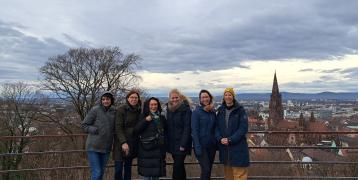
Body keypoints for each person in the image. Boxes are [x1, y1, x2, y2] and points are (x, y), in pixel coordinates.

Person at [215, 88, 250, 180]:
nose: (227, 97)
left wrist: (230, 139)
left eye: (230, 95)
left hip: (238, 148)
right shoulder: (220, 110)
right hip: (225, 150)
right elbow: (216, 127)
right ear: (223, 97)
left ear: (233, 97)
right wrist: (220, 138)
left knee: (240, 176)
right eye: (226, 95)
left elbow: (243, 128)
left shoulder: (240, 110)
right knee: (228, 176)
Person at [81, 92, 116, 180]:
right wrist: (95, 129)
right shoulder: (95, 110)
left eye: (107, 99)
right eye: (103, 99)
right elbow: (84, 125)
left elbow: (118, 126)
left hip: (106, 148)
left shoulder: (115, 111)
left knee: (101, 172)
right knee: (97, 172)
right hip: (93, 147)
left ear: (111, 100)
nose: (105, 101)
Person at [135, 97, 167, 180]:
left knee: (156, 176)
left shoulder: (161, 117)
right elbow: (136, 130)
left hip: (158, 150)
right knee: (146, 176)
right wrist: (146, 120)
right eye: (151, 104)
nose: (154, 106)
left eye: (155, 104)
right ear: (148, 106)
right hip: (146, 150)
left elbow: (165, 132)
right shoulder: (143, 116)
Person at [113, 90, 141, 180]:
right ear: (128, 99)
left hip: (132, 142)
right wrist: (123, 142)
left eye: (136, 98)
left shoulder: (138, 110)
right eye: (132, 97)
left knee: (128, 168)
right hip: (120, 143)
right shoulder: (121, 110)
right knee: (118, 169)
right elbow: (118, 127)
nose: (134, 99)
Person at [164, 89, 192, 180]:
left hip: (182, 144)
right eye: (173, 98)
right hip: (172, 143)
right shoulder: (168, 109)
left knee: (176, 166)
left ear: (180, 98)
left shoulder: (186, 109)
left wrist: (183, 144)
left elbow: (187, 128)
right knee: (179, 166)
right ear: (169, 98)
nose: (175, 99)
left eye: (176, 97)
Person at [191, 90, 217, 180]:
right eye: (203, 97)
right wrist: (197, 147)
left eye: (206, 97)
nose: (205, 99)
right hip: (201, 146)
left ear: (210, 98)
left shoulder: (212, 112)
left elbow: (215, 128)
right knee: (206, 169)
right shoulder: (196, 112)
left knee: (208, 170)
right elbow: (194, 130)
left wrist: (215, 142)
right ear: (200, 99)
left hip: (211, 146)